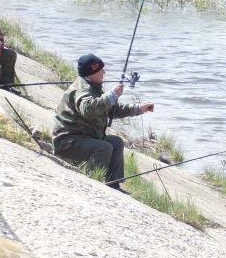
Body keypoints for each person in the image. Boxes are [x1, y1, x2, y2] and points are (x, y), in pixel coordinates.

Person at [53, 54, 154, 188]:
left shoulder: (94, 86)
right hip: (68, 142)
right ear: (92, 71)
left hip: (83, 137)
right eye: (101, 69)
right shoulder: (82, 89)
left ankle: (113, 184)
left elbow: (111, 110)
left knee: (116, 142)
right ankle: (91, 183)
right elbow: (88, 110)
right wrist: (112, 95)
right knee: (103, 147)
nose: (104, 72)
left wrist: (138, 109)